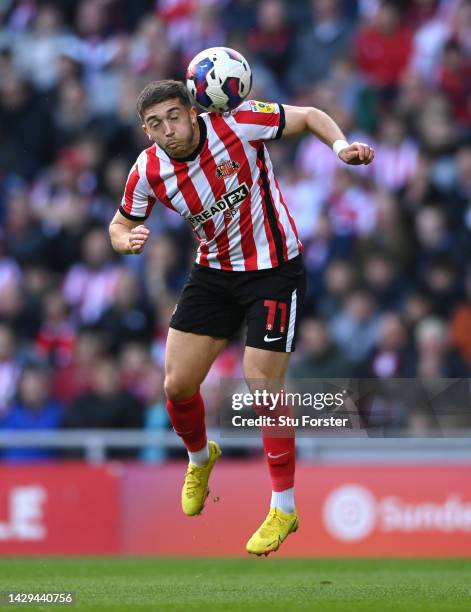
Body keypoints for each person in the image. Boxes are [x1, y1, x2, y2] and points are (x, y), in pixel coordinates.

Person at [108, 79, 374, 556]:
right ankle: (199, 456)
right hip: (213, 273)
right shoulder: (148, 170)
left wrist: (340, 147)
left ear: (192, 111)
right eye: (155, 124)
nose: (167, 130)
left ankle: (284, 506)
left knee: (262, 384)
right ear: (146, 132)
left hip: (274, 269)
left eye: (173, 116)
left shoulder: (238, 121)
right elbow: (120, 222)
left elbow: (310, 113)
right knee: (175, 385)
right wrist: (123, 240)